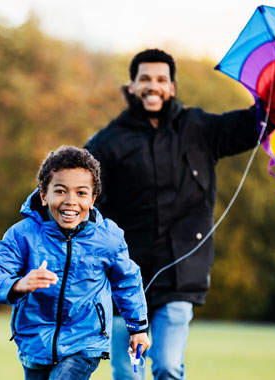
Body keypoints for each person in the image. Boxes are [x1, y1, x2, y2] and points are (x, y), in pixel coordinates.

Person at [85, 49, 264, 380]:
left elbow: (252, 125)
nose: (153, 86)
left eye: (161, 80)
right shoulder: (107, 143)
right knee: (128, 372)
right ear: (131, 87)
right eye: (145, 80)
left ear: (173, 87)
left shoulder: (199, 128)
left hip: (181, 275)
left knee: (168, 365)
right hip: (122, 278)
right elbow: (78, 191)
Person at [0, 146, 151, 380]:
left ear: (92, 198)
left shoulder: (108, 238)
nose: (70, 201)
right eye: (60, 191)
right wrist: (19, 284)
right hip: (35, 342)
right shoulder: (23, 235)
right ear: (43, 195)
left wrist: (137, 328)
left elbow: (127, 282)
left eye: (81, 193)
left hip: (84, 342)